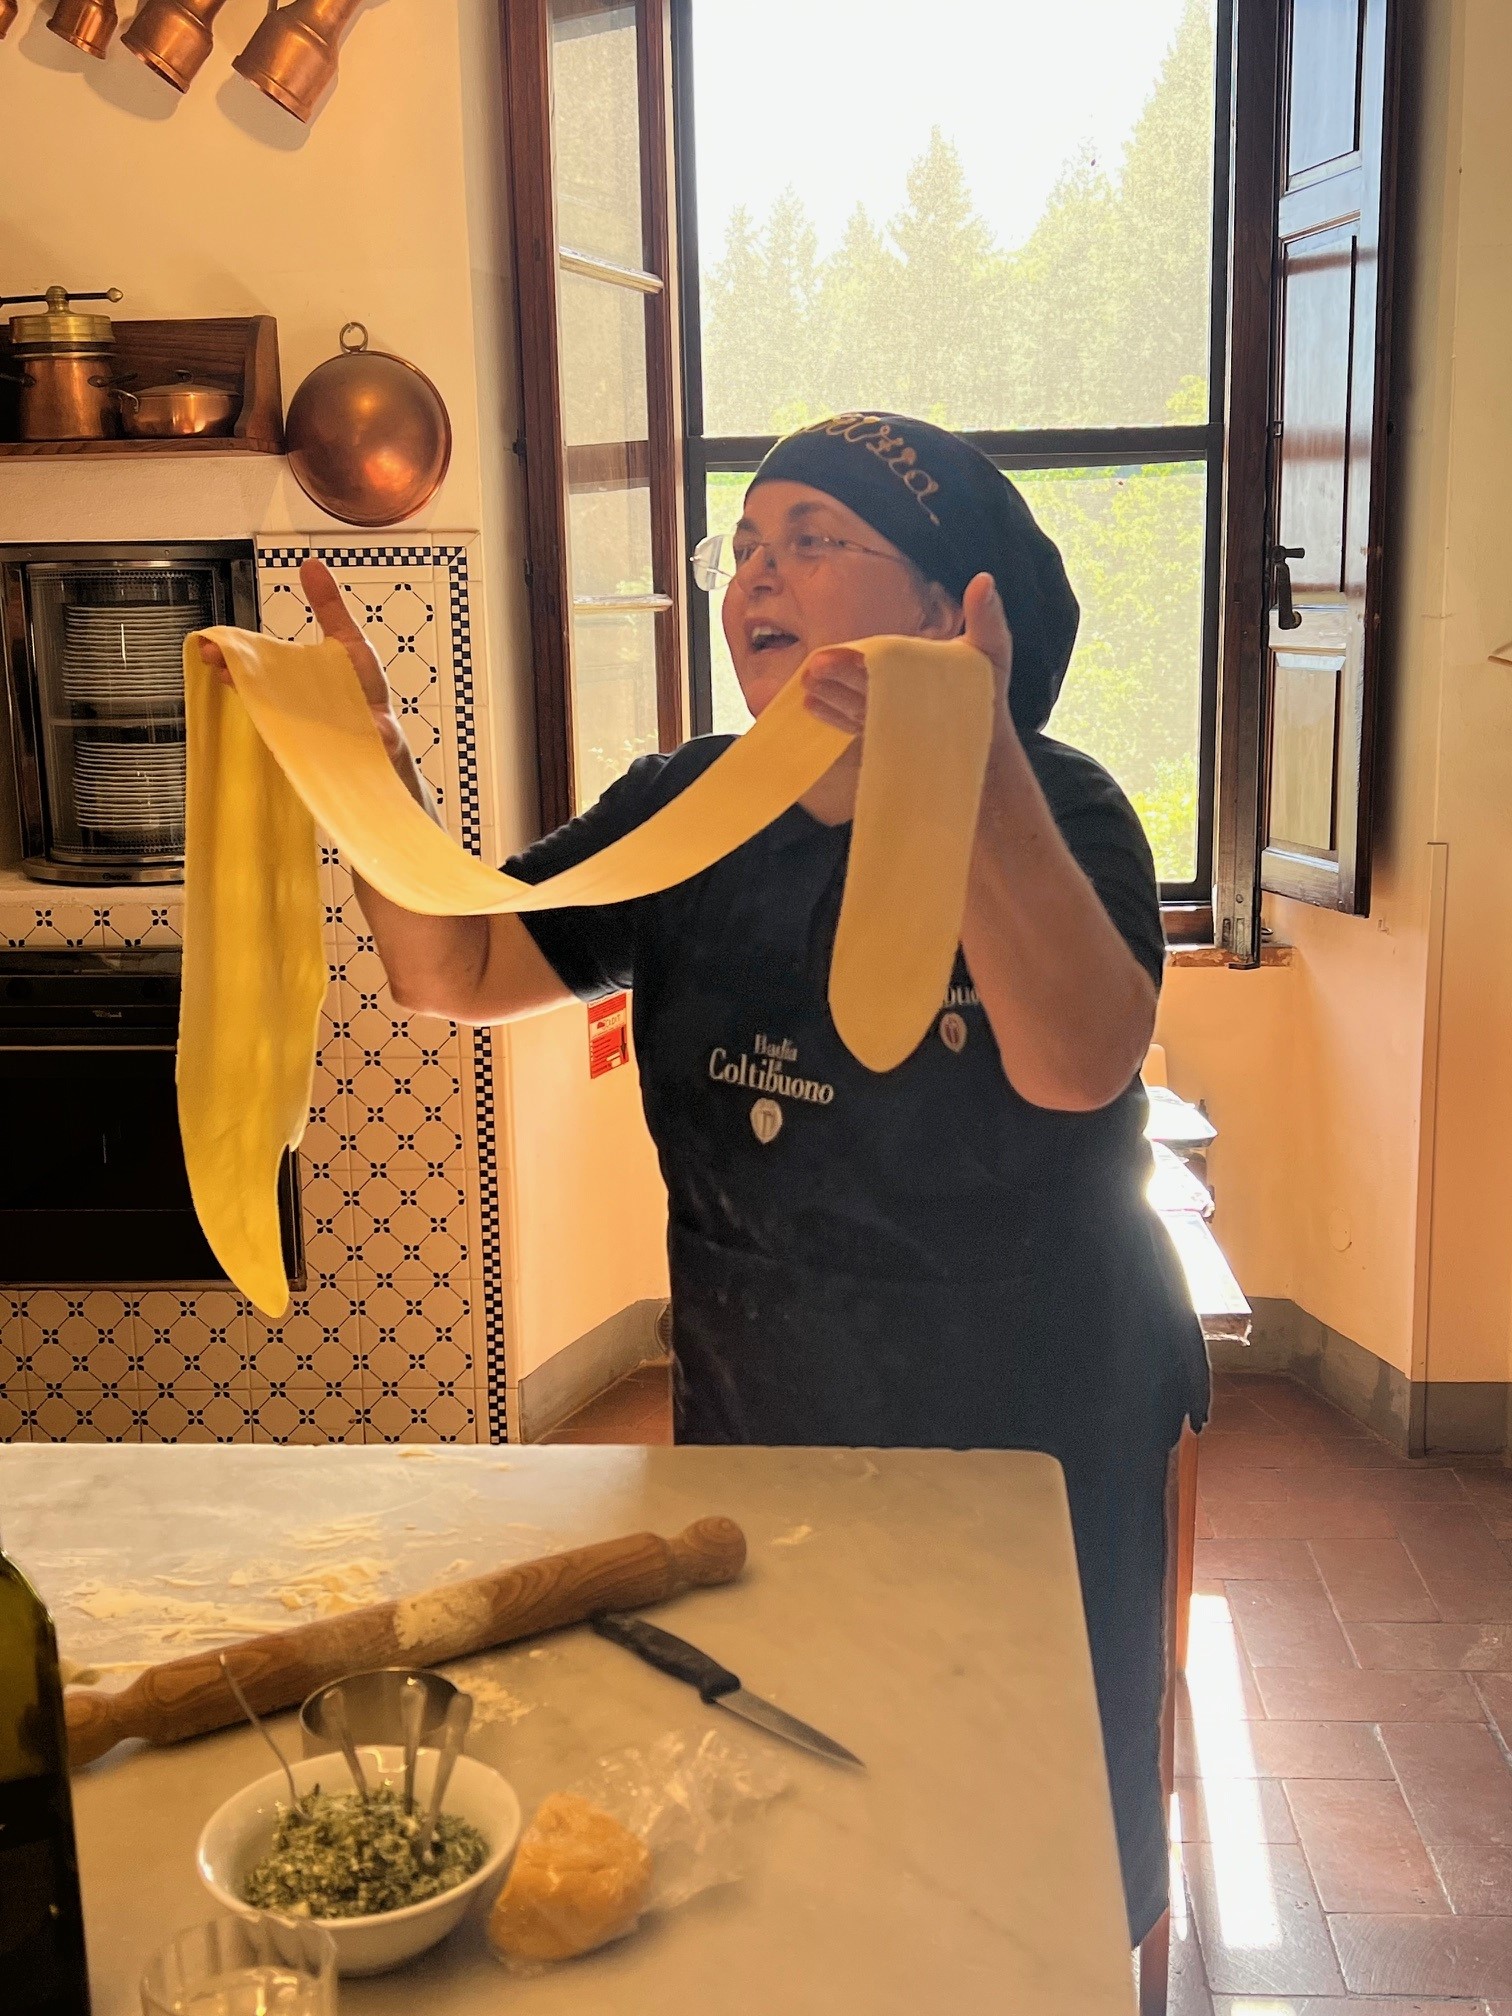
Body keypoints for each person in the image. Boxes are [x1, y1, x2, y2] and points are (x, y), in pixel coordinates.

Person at [204, 411, 1208, 1943]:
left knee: (1026, 1829)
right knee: (801, 1806)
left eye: (815, 540)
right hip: (767, 1395)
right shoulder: (688, 802)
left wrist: (976, 756)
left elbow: (1079, 1062)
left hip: (1029, 1419)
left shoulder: (1062, 806)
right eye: (744, 542)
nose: (757, 575)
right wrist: (367, 762)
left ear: (951, 610)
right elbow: (455, 965)